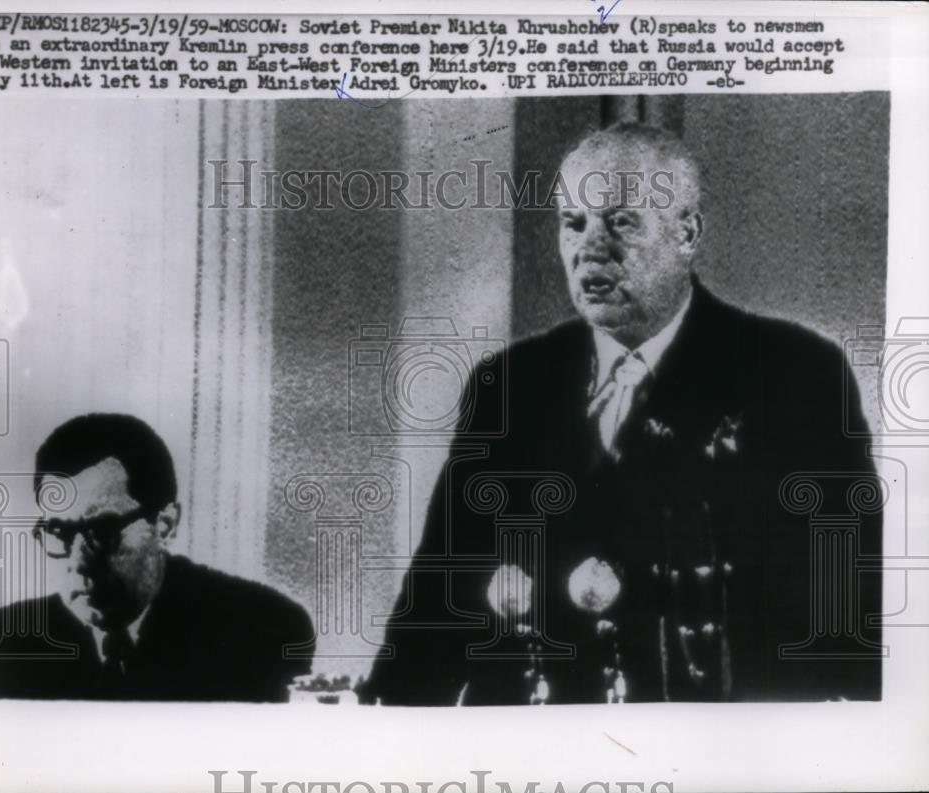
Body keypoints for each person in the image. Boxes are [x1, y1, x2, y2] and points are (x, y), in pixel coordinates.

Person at [361, 123, 882, 705]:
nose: (590, 248)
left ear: (687, 233)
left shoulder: (792, 374)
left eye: (622, 221)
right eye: (573, 224)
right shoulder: (508, 385)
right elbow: (436, 608)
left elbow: (847, 612)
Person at [0, 413, 314, 701]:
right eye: (60, 533)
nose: (79, 563)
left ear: (166, 524)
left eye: (104, 530)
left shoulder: (262, 628)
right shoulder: (15, 637)